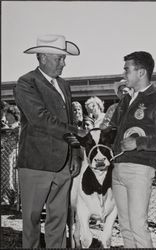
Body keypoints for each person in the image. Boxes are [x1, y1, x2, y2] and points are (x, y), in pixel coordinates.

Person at [14, 34, 84, 248]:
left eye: (64, 58)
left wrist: (74, 153)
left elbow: (68, 119)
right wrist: (75, 131)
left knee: (58, 222)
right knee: (32, 222)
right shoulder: (26, 83)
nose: (64, 63)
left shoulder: (64, 85)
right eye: (59, 58)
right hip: (36, 164)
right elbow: (40, 119)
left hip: (63, 166)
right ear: (43, 57)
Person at [110, 51, 156, 248]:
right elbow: (112, 130)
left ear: (141, 72)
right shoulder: (125, 101)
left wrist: (140, 142)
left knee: (138, 226)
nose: (124, 73)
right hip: (118, 167)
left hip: (140, 170)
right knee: (124, 226)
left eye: (127, 69)